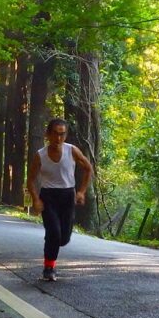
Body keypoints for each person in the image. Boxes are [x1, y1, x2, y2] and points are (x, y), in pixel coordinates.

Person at [27, 118, 93, 281]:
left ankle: (54, 246)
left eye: (62, 134)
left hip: (67, 196)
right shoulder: (40, 155)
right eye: (55, 134)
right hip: (48, 196)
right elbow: (30, 179)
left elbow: (88, 169)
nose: (59, 138)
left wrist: (82, 191)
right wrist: (36, 199)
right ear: (48, 134)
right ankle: (49, 268)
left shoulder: (72, 151)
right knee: (54, 233)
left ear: (66, 135)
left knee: (63, 238)